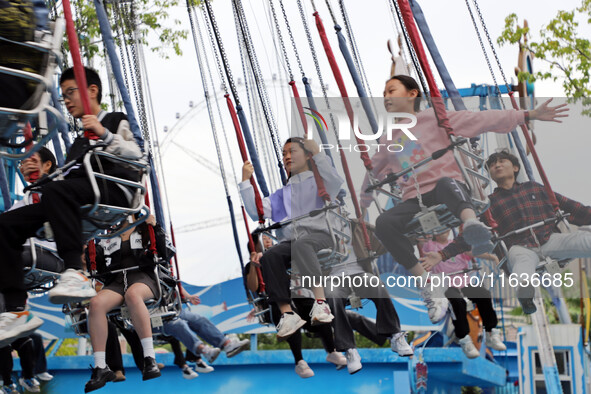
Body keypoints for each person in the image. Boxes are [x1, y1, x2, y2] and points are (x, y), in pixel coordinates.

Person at [362, 75, 568, 323]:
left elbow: (481, 119)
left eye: (391, 90)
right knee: (385, 223)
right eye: (383, 92)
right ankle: (427, 283)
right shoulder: (388, 139)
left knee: (447, 183)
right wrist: (359, 209)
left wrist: (527, 115)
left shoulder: (434, 118)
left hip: (445, 188)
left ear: (412, 93)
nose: (385, 97)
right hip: (414, 199)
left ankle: (471, 225)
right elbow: (372, 175)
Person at [0, 66, 142, 346]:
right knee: (5, 226)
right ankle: (17, 310)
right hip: (75, 194)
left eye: (70, 92)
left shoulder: (115, 121)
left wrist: (104, 134)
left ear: (92, 91)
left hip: (113, 189)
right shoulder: (78, 143)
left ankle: (76, 271)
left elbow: (137, 154)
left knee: (58, 191)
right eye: (63, 95)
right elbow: (67, 178)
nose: (66, 100)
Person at [422, 151, 591, 314]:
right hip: (519, 247)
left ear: (515, 168)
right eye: (493, 164)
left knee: (582, 240)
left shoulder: (535, 188)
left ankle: (525, 288)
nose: (497, 165)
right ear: (491, 174)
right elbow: (472, 234)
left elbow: (571, 207)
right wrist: (442, 255)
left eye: (502, 161)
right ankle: (525, 295)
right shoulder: (489, 204)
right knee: (521, 268)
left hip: (549, 239)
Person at [240, 137, 344, 340]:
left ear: (307, 155)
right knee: (269, 256)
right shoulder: (281, 195)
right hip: (293, 243)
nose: (287, 156)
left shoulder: (320, 181)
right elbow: (257, 211)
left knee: (302, 244)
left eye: (292, 151)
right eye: (284, 153)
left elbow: (334, 182)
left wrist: (319, 153)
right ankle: (287, 313)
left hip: (321, 237)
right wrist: (246, 181)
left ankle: (320, 302)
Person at [245, 234, 347, 378]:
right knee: (289, 315)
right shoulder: (254, 264)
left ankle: (332, 351)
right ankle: (299, 361)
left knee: (315, 308)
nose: (267, 240)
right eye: (263, 239)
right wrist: (254, 266)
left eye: (268, 237)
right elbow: (253, 286)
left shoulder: (284, 256)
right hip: (275, 304)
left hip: (298, 300)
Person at [84, 215, 163, 393]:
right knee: (96, 303)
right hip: (117, 282)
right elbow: (98, 267)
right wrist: (89, 245)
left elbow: (163, 252)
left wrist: (155, 228)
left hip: (143, 278)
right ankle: (100, 367)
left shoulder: (144, 229)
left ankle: (149, 358)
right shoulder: (108, 237)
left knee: (133, 295)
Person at [419, 230, 506, 358]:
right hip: (445, 284)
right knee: (457, 302)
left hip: (463, 281)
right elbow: (420, 246)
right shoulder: (430, 246)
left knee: (483, 294)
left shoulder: (455, 245)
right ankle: (464, 338)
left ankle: (491, 331)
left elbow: (473, 252)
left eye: (445, 229)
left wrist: (492, 257)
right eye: (439, 230)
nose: (443, 232)